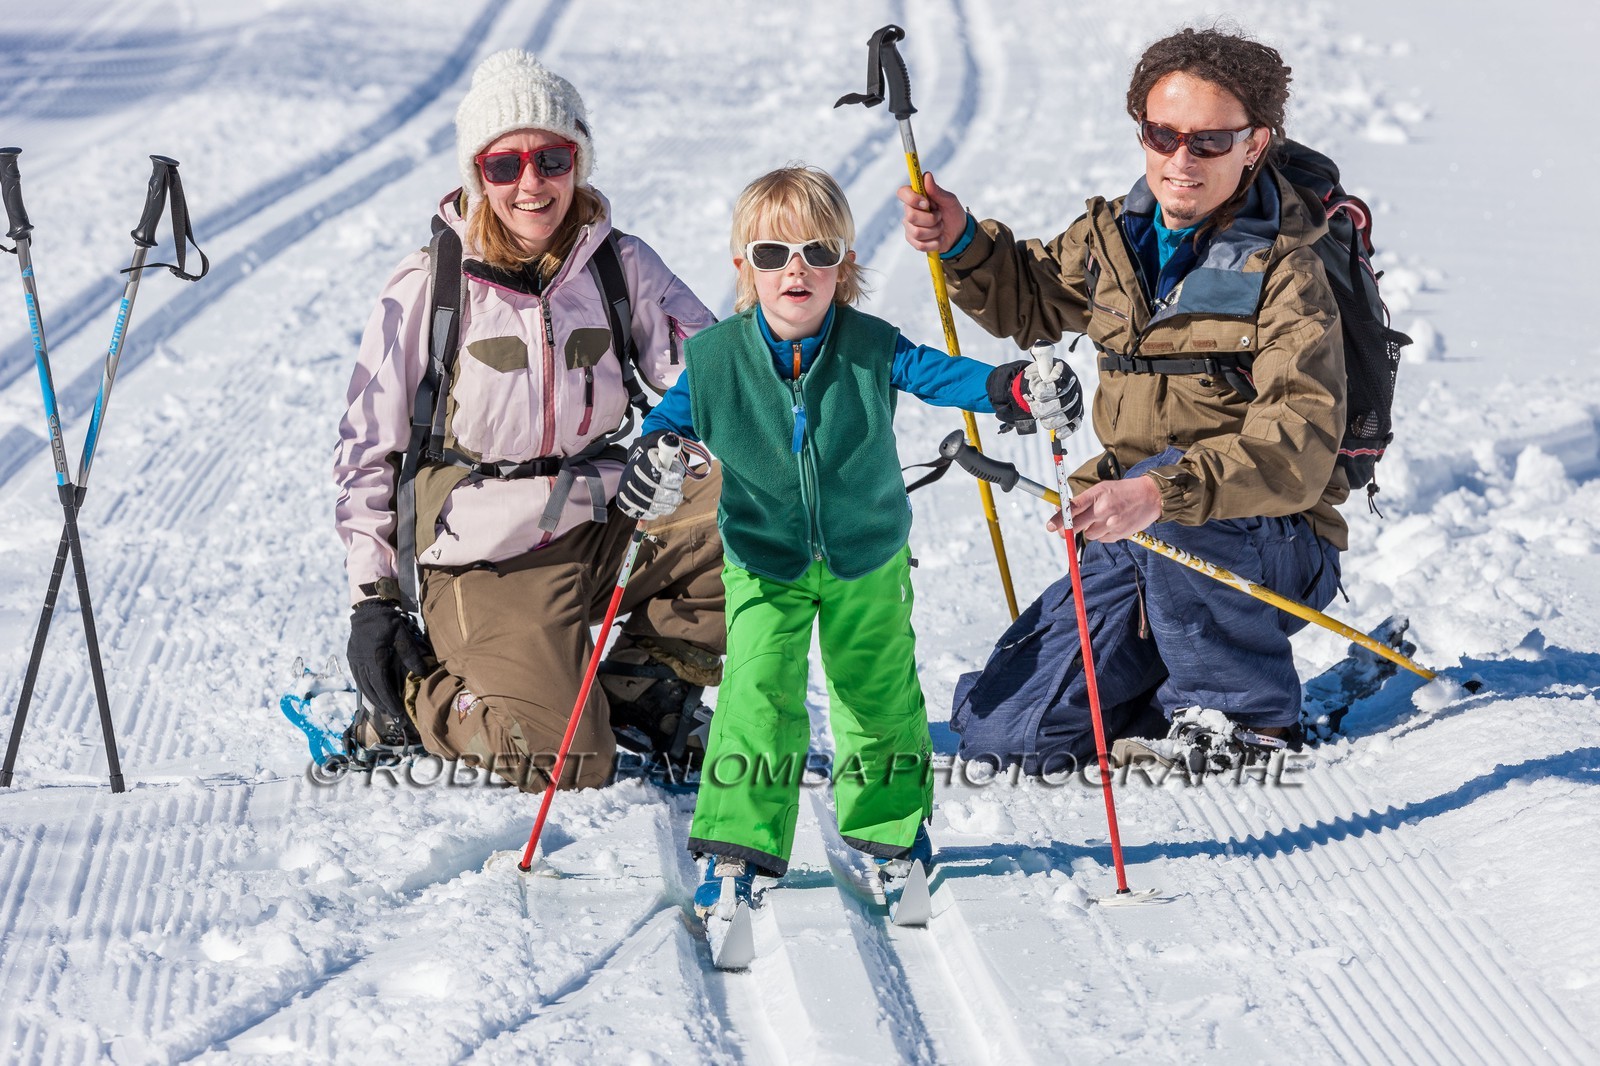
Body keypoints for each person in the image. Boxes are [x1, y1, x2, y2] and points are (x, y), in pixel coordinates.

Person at [618, 165, 1077, 910]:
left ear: (845, 265)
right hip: (764, 559)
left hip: (867, 556)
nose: (794, 269)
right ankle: (739, 846)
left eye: (816, 251)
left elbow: (942, 376)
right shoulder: (715, 360)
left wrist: (1012, 388)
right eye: (771, 254)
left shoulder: (870, 345)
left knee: (876, 695)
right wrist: (655, 455)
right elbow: (668, 423)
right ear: (744, 268)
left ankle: (894, 835)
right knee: (755, 695)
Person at [898, 27, 1347, 774]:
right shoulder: (1116, 238)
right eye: (1162, 133)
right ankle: (1155, 679)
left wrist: (1158, 491)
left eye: (1210, 141)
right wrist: (961, 241)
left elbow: (1297, 446)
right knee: (1006, 735)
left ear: (1255, 143)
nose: (1181, 159)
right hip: (1135, 526)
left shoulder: (1287, 271)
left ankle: (1241, 716)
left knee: (1177, 499)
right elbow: (1031, 301)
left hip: (1266, 534)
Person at [333, 49, 725, 791]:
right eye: (503, 165)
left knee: (755, 498)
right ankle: (413, 703)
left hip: (605, 509)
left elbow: (715, 382)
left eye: (551, 157)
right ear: (476, 174)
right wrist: (373, 601)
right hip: (487, 549)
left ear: (578, 159)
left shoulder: (621, 265)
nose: (531, 183)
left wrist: (676, 439)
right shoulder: (430, 285)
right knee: (565, 761)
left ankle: (646, 687)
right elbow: (366, 452)